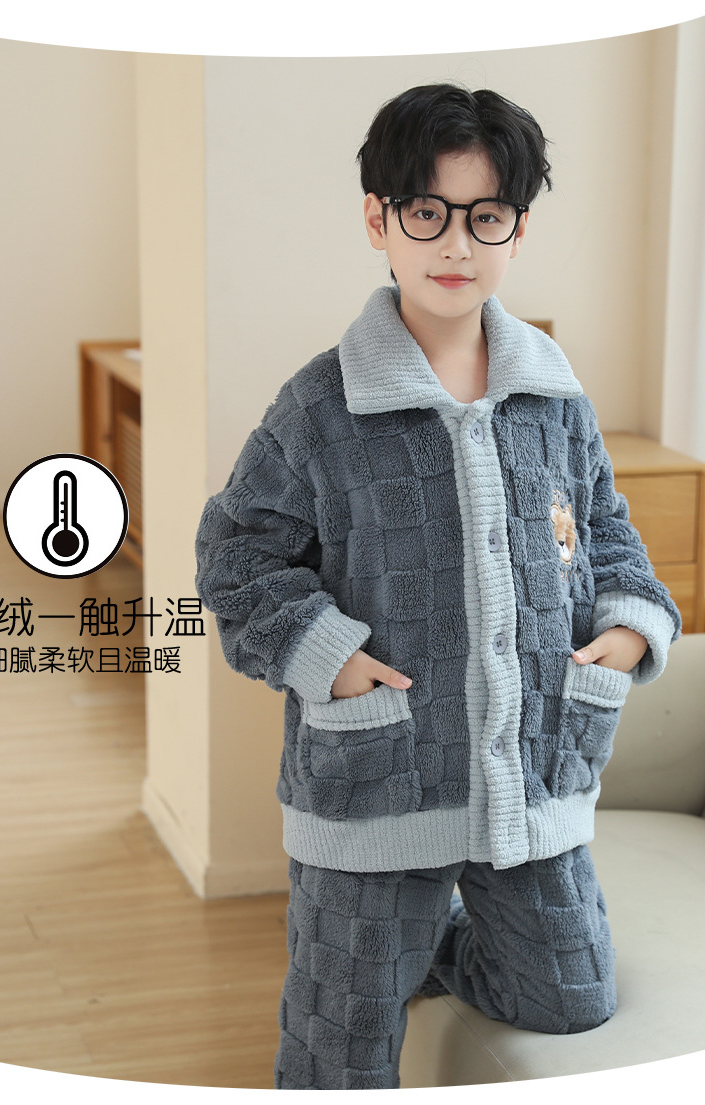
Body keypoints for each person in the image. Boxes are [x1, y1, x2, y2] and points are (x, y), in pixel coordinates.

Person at [194, 83, 681, 1090]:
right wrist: (327, 659)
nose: (456, 244)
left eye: (485, 216)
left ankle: (432, 947)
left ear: (518, 229)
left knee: (570, 996)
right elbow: (235, 555)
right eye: (427, 212)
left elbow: (606, 530)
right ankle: (370, 951)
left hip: (532, 786)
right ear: (378, 219)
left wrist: (631, 628)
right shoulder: (321, 405)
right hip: (378, 784)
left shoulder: (553, 394)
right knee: (339, 1050)